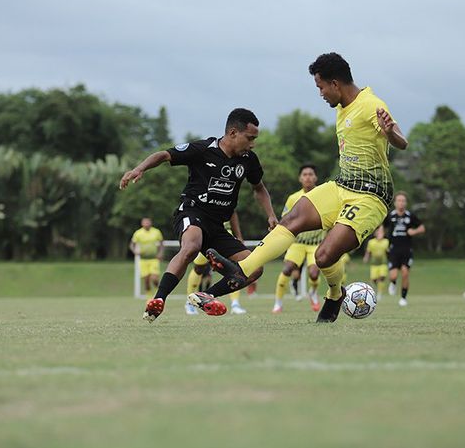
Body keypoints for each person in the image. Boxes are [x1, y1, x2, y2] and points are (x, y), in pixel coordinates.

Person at [207, 53, 408, 323]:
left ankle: (335, 295)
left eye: (320, 86)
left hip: (370, 196)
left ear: (335, 84)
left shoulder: (371, 105)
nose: (320, 93)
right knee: (292, 218)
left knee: (324, 257)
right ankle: (242, 271)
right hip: (341, 185)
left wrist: (390, 132)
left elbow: (401, 141)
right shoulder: (342, 108)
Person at [119, 108, 278, 322]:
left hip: (217, 227)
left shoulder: (248, 160)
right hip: (192, 211)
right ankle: (158, 300)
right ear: (232, 133)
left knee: (255, 268)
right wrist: (139, 169)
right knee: (192, 246)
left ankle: (206, 295)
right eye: (249, 138)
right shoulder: (203, 149)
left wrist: (270, 215)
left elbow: (259, 188)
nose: (252, 144)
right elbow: (164, 155)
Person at [272, 164, 324, 314]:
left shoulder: (322, 194)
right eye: (304, 174)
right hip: (297, 243)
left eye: (310, 174)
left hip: (316, 244)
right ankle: (278, 303)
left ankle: (313, 293)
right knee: (287, 269)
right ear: (300, 178)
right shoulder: (293, 198)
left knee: (314, 274)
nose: (308, 177)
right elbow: (285, 219)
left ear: (316, 177)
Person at [185, 213, 247, 315]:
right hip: (208, 236)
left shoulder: (228, 200)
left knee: (237, 270)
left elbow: (232, 213)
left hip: (226, 236)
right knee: (198, 268)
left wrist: (239, 236)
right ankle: (189, 303)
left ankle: (235, 304)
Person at [383, 192, 425, 307]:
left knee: (405, 273)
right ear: (395, 203)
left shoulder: (410, 216)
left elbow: (422, 227)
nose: (401, 203)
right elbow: (382, 226)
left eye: (403, 201)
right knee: (393, 275)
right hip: (393, 250)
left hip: (406, 250)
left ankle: (403, 298)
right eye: (399, 200)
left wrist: (414, 231)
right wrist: (381, 234)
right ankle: (393, 282)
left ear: (406, 203)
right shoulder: (390, 216)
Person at [129, 217, 164, 298]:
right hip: (143, 260)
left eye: (148, 222)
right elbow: (131, 245)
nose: (146, 224)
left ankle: (159, 293)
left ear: (151, 223)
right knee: (146, 280)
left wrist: (160, 253)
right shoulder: (138, 233)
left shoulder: (156, 232)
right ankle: (148, 298)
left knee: (154, 279)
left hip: (154, 259)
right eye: (145, 222)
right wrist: (135, 251)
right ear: (142, 224)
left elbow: (162, 243)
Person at [364, 226, 389, 300]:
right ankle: (375, 289)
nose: (380, 234)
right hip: (374, 264)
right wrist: (366, 257)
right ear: (375, 233)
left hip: (383, 264)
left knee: (382, 277)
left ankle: (380, 293)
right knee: (374, 279)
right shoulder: (371, 242)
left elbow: (388, 252)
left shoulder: (386, 242)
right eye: (378, 232)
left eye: (381, 232)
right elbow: (368, 251)